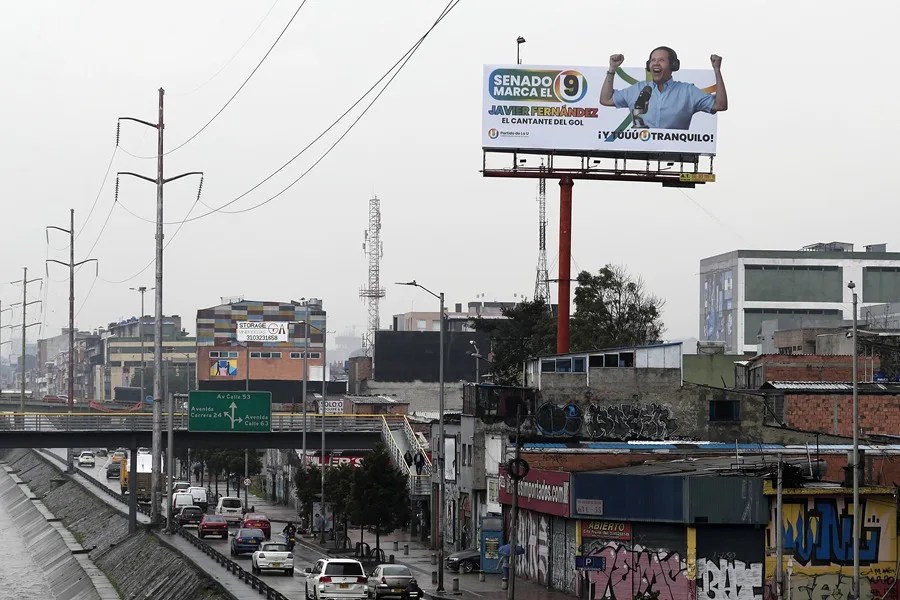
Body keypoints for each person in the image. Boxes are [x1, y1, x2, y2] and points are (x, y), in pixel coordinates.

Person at [599, 47, 728, 130]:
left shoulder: (688, 91)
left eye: (661, 60)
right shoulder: (637, 89)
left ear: (673, 65)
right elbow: (606, 99)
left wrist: (717, 70)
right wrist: (612, 69)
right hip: (640, 152)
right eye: (653, 60)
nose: (655, 63)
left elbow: (720, 105)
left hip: (675, 155)